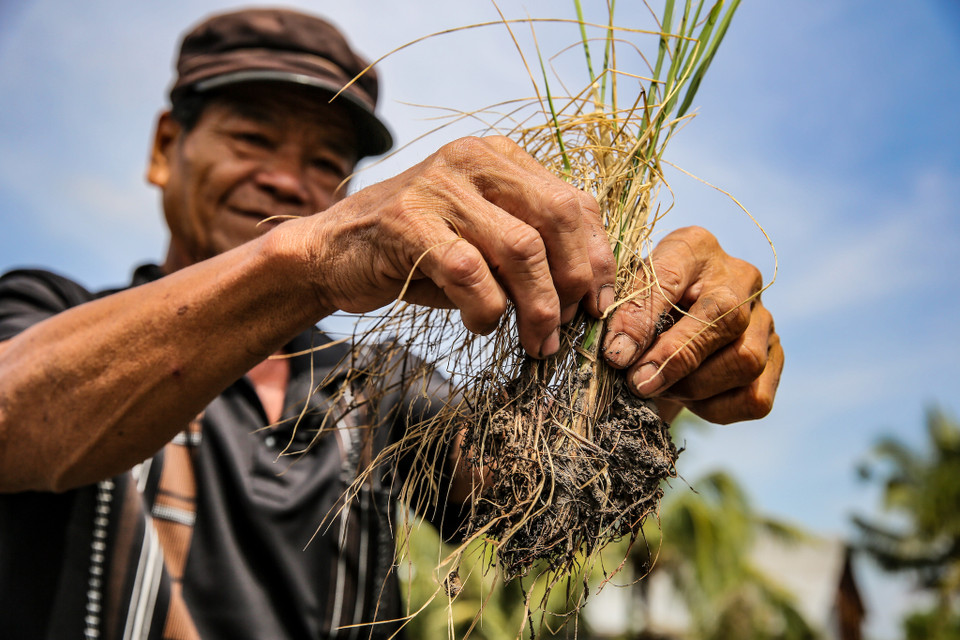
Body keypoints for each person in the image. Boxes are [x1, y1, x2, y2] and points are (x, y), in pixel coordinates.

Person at [0, 7, 783, 640]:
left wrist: (649, 370)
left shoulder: (374, 388)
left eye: (324, 159)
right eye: (253, 137)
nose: (286, 178)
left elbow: (531, 512)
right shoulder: (52, 318)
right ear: (167, 147)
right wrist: (310, 258)